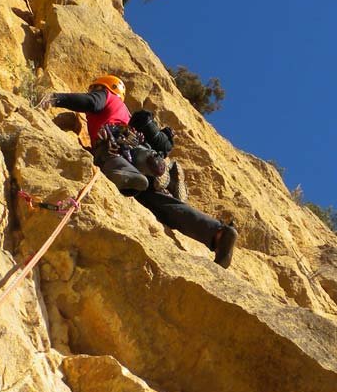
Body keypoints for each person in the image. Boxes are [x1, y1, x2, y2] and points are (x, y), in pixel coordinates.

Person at [41, 74, 238, 268]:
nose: (92, 91)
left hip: (116, 148)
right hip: (138, 150)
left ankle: (131, 174)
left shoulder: (107, 96)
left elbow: (90, 102)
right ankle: (218, 233)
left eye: (94, 89)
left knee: (106, 155)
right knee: (163, 206)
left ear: (104, 87)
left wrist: (55, 98)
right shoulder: (126, 115)